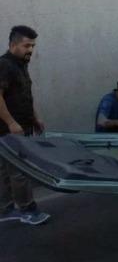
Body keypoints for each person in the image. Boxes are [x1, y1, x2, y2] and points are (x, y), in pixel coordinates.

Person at [0, 25, 50, 225]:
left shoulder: (20, 64)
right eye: (26, 45)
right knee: (20, 170)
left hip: (20, 126)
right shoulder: (5, 65)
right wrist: (11, 122)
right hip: (9, 129)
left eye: (33, 46)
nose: (30, 50)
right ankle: (28, 210)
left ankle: (5, 209)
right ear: (13, 45)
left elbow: (23, 96)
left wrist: (35, 117)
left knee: (5, 171)